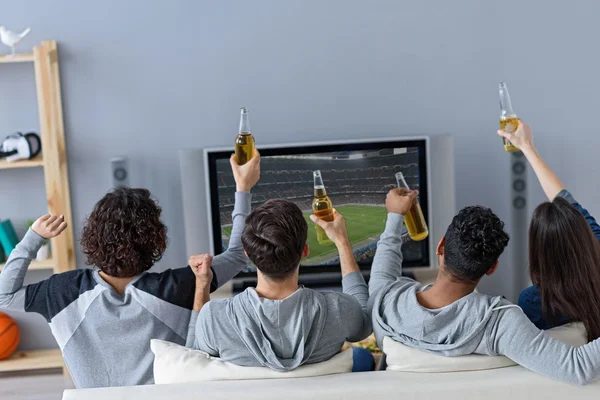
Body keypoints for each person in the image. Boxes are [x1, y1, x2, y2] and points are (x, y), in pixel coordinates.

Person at [0, 152, 260, 388]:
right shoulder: (181, 286)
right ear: (155, 240)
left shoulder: (62, 292)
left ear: (92, 236)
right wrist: (242, 188)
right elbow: (238, 254)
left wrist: (33, 238)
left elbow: (4, 295)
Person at [368, 187, 600, 385]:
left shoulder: (385, 303)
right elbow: (577, 367)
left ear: (441, 246)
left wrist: (395, 217)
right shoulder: (499, 324)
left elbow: (382, 273)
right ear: (492, 267)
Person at [186, 200, 374, 372]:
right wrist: (342, 242)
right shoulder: (339, 310)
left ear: (248, 255)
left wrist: (202, 285)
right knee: (362, 357)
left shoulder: (214, 317)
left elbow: (192, 358)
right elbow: (365, 320)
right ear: (305, 251)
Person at [497, 123, 600, 338]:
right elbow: (562, 196)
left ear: (539, 250)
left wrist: (527, 146)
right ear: (583, 232)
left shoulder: (535, 301)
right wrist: (527, 146)